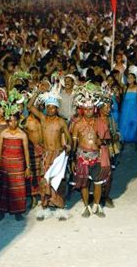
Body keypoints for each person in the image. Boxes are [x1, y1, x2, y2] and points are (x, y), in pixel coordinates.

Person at [28, 89, 71, 219]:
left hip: (58, 155)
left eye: (53, 108)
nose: (50, 110)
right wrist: (36, 92)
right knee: (45, 181)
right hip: (46, 154)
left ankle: (60, 207)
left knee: (58, 181)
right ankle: (45, 207)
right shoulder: (43, 118)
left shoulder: (61, 122)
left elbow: (68, 137)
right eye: (48, 107)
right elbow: (29, 106)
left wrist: (69, 146)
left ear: (57, 109)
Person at [71, 89, 109, 218]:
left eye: (91, 109)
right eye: (86, 109)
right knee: (84, 183)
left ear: (94, 109)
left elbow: (108, 139)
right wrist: (72, 159)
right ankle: (86, 206)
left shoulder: (100, 122)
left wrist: (101, 141)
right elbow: (74, 143)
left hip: (97, 156)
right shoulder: (77, 125)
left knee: (98, 182)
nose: (88, 111)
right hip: (82, 156)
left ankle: (97, 205)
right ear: (82, 110)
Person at [0, 112, 31, 221]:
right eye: (10, 120)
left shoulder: (22, 134)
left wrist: (27, 167)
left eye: (14, 120)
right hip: (5, 165)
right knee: (4, 188)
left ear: (18, 121)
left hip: (18, 165)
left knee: (18, 189)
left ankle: (18, 212)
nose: (12, 123)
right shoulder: (3, 134)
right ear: (7, 121)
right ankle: (2, 211)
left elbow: (26, 151)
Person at [119, 73, 137, 148]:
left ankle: (136, 143)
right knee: (124, 123)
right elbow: (119, 82)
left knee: (134, 124)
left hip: (133, 109)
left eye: (131, 77)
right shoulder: (125, 88)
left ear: (134, 79)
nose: (129, 79)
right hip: (125, 109)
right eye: (128, 78)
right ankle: (123, 141)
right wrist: (121, 74)